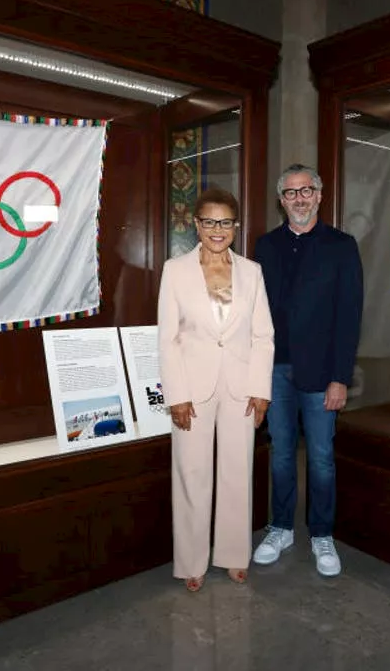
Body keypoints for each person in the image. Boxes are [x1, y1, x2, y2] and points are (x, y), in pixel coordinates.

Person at [158, 188, 275, 592]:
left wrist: (261, 390)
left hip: (241, 388)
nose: (217, 229)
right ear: (196, 225)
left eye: (225, 222)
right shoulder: (175, 271)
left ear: (236, 226)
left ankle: (233, 554)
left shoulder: (252, 272)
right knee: (191, 473)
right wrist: (176, 394)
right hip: (192, 388)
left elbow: (263, 336)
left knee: (237, 471)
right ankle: (191, 561)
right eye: (209, 221)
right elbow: (168, 338)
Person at [252, 163, 363, 577]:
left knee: (320, 458)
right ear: (281, 201)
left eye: (306, 191)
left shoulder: (341, 246)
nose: (299, 198)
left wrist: (340, 377)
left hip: (322, 375)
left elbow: (349, 316)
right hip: (274, 369)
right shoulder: (265, 247)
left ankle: (321, 534)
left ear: (319, 195)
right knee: (281, 455)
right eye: (290, 193)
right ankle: (280, 528)